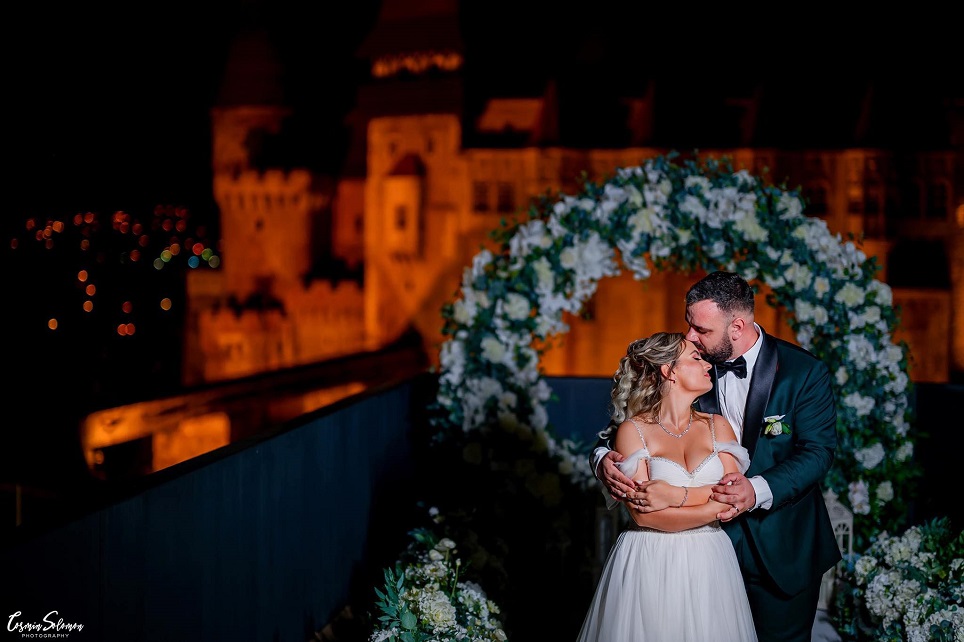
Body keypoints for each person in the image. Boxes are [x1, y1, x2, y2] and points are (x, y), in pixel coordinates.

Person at [590, 271, 841, 642]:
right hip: (704, 556)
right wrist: (601, 460)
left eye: (701, 329)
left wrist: (755, 490)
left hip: (783, 547)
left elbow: (818, 451)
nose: (690, 336)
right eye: (689, 325)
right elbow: (627, 428)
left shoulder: (803, 372)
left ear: (736, 327)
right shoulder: (691, 367)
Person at [576, 332, 758, 641]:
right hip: (649, 557)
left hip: (710, 559)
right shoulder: (633, 430)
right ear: (668, 370)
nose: (707, 364)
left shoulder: (718, 426)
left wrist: (676, 495)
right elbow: (644, 516)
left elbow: (733, 497)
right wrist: (712, 505)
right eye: (695, 358)